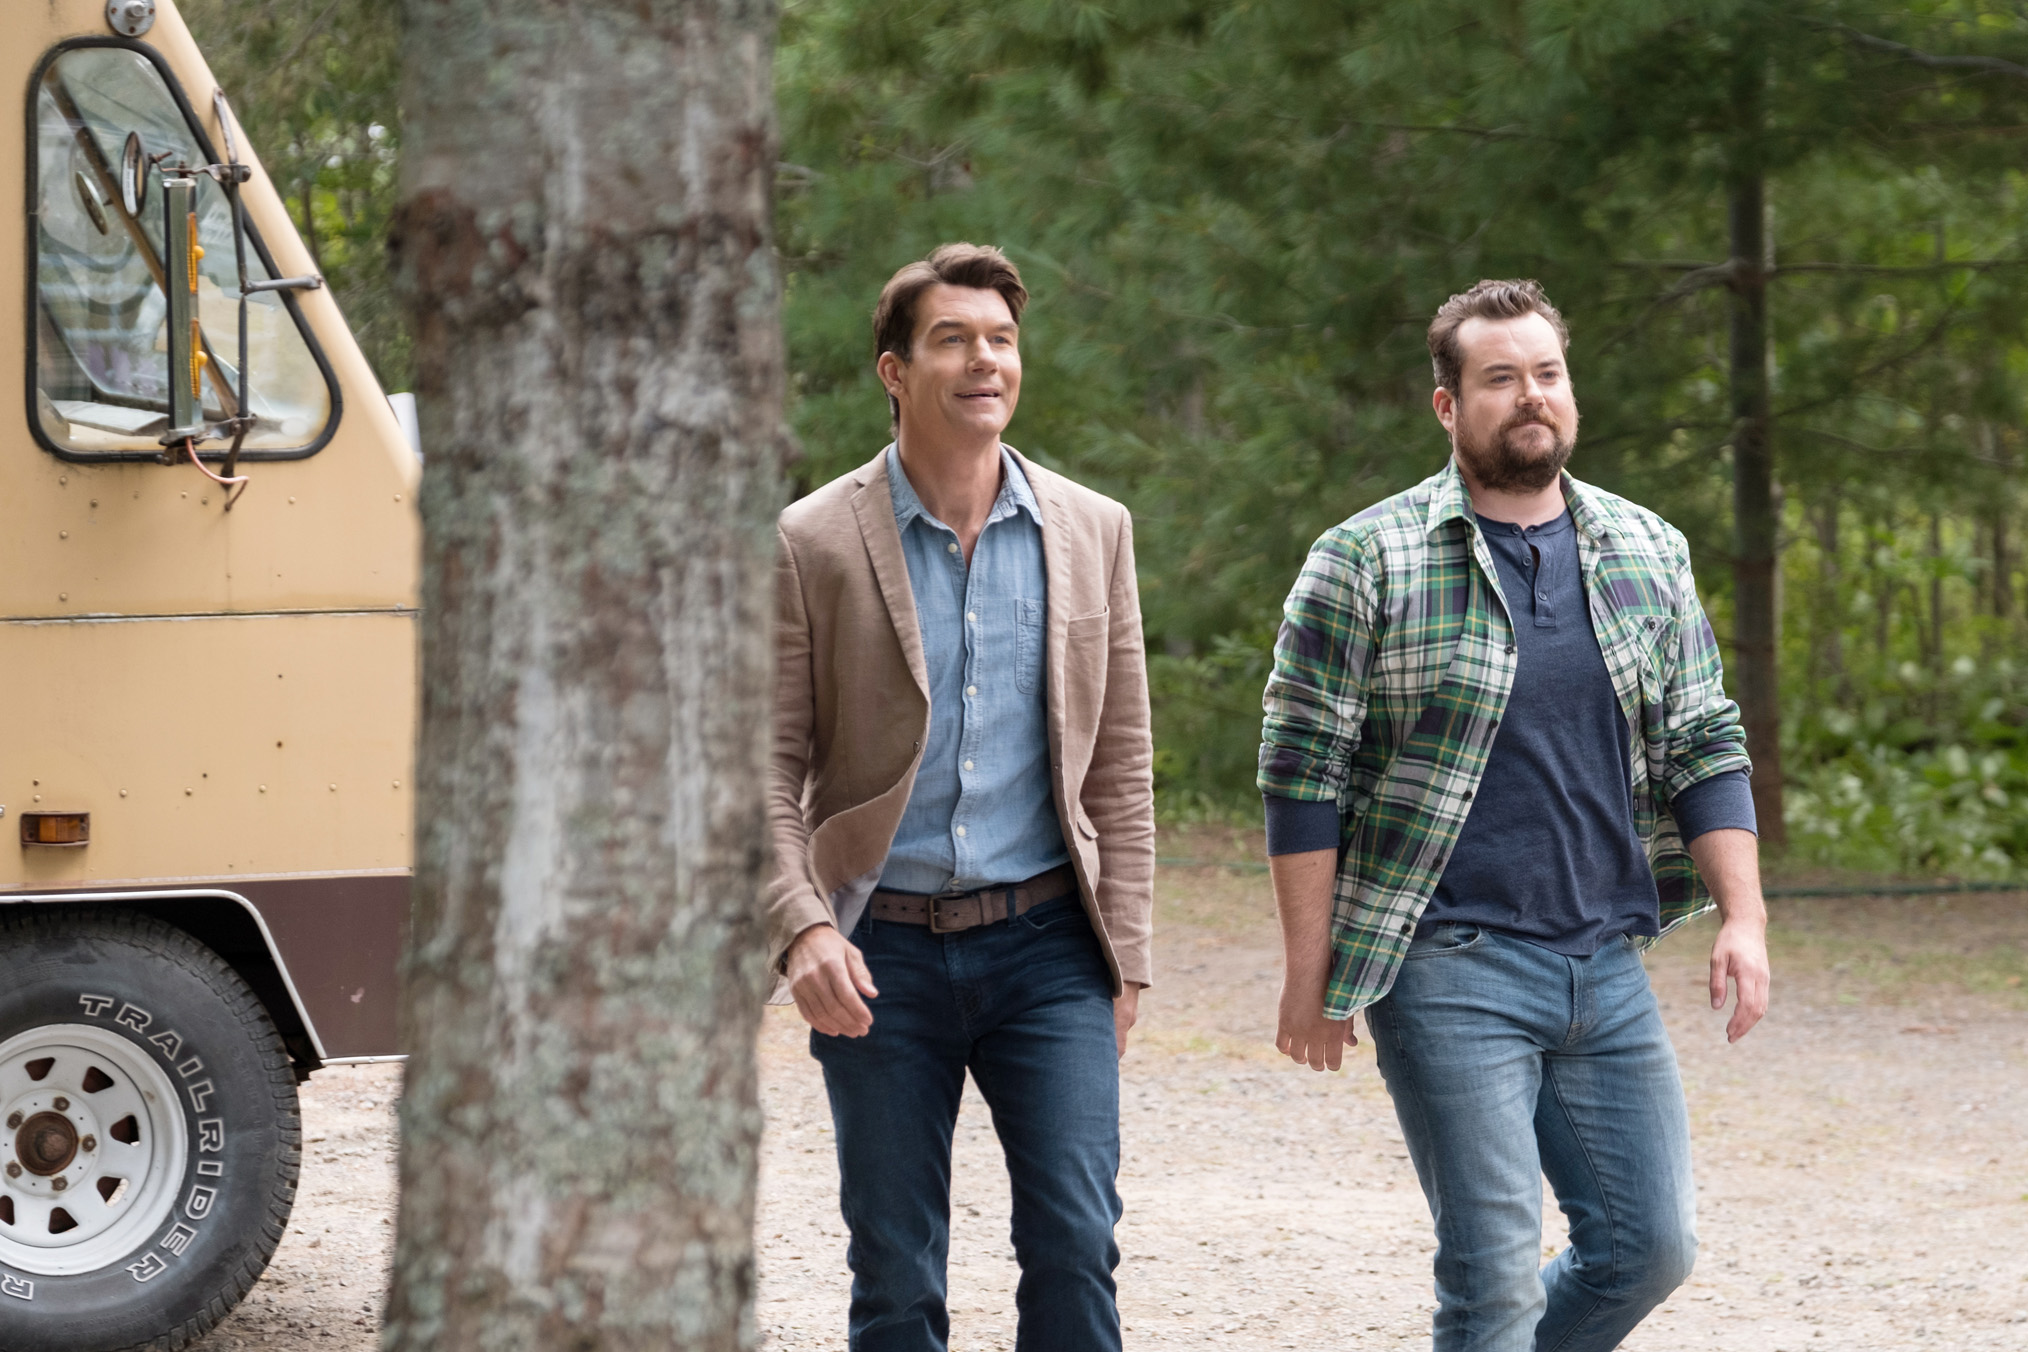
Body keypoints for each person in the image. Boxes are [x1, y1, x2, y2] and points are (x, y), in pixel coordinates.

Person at [1257, 278, 1771, 1352]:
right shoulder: (1365, 559)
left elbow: (1703, 739)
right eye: (1500, 378)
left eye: (1547, 373)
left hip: (1607, 963)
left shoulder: (1648, 549)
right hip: (1449, 962)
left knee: (1649, 1247)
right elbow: (1303, 770)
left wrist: (1744, 915)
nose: (1531, 395)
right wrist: (1312, 972)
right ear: (1448, 406)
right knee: (1491, 1279)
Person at [766, 242, 1154, 1352]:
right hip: (879, 953)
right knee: (895, 1271)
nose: (986, 360)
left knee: (1076, 1245)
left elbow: (1122, 763)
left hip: (1050, 947)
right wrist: (801, 929)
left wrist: (1126, 955)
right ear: (895, 371)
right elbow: (762, 765)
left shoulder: (1094, 529)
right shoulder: (811, 539)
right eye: (953, 339)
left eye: (1002, 339)